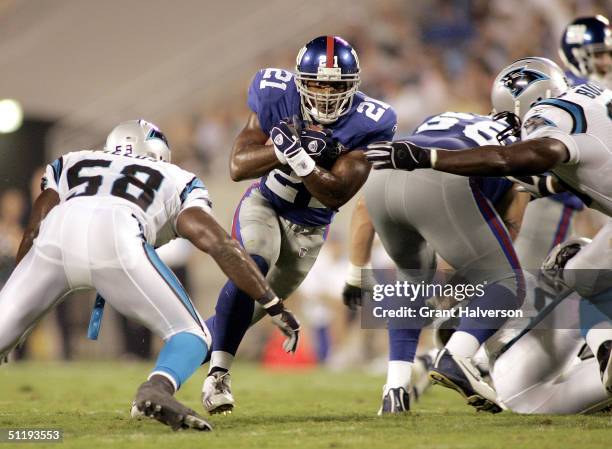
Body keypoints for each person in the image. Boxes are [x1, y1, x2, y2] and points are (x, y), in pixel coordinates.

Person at [0, 119, 299, 431]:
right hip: (116, 235)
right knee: (193, 335)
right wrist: (272, 302)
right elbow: (218, 243)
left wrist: (19, 299)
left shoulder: (73, 162)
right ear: (159, 153)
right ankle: (157, 387)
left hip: (55, 235)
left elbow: (34, 228)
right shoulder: (177, 178)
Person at [364, 56, 612, 397]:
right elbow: (558, 173)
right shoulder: (585, 102)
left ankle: (408, 379)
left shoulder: (515, 117)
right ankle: (466, 353)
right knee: (555, 278)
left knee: (558, 281)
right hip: (446, 186)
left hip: (386, 180)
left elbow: (525, 164)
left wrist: (355, 269)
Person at [202, 35, 397, 414]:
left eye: (336, 85)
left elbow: (337, 194)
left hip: (309, 230)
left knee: (252, 310)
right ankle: (219, 375)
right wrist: (280, 150)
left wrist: (301, 159)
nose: (325, 93)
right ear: (299, 81)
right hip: (266, 203)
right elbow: (238, 166)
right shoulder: (275, 93)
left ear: (353, 85)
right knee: (253, 264)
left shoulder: (372, 120)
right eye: (317, 83)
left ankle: (176, 358)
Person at [345, 106, 531, 413]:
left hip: (380, 180)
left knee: (411, 282)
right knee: (508, 281)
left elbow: (364, 207)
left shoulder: (447, 118)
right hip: (443, 178)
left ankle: (394, 391)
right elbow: (510, 226)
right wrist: (467, 282)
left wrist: (355, 273)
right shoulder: (522, 144)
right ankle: (456, 356)